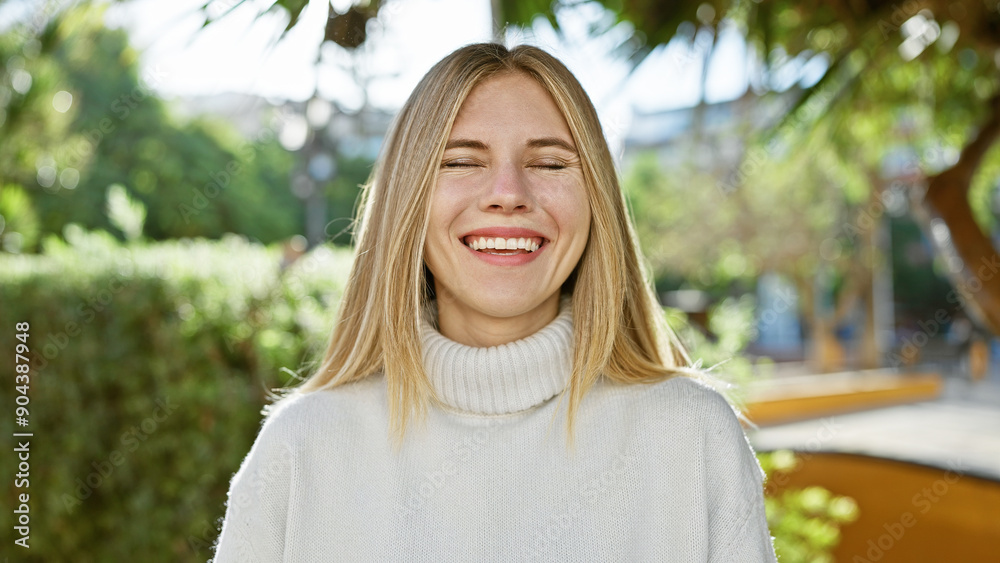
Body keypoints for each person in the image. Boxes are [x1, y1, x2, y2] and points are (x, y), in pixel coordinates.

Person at [212, 43, 777, 562]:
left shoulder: (693, 437)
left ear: (597, 199)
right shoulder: (302, 448)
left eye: (550, 163)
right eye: (460, 161)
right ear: (408, 198)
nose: (508, 194)